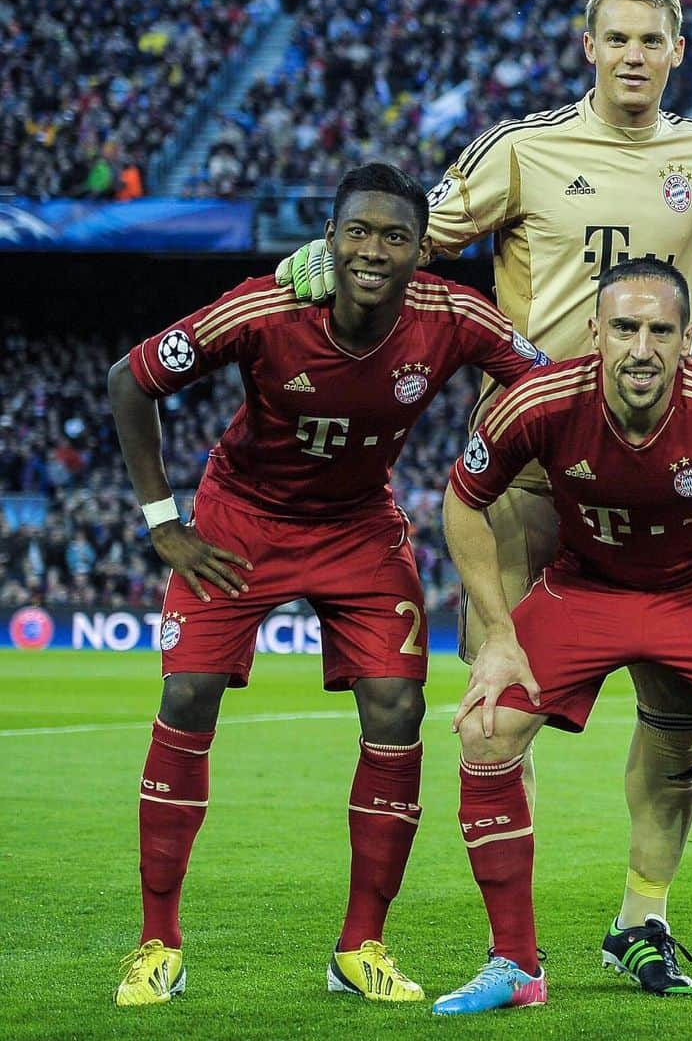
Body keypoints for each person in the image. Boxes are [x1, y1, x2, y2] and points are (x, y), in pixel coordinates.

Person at [278, 0, 692, 995]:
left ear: (679, 50)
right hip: (536, 470)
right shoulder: (520, 149)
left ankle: (643, 918)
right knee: (503, 701)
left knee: (673, 718)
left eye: (651, 40)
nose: (632, 54)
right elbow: (408, 235)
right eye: (615, 37)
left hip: (671, 474)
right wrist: (324, 253)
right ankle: (513, 942)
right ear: (588, 44)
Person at [107, 163, 546, 1007]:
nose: (373, 250)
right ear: (331, 236)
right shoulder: (265, 307)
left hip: (357, 526)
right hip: (241, 518)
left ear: (423, 251)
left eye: (394, 236)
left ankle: (360, 946)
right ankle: (157, 941)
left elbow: (545, 380)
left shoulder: (451, 317)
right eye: (358, 232)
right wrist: (164, 523)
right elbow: (132, 379)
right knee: (188, 693)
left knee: (398, 705)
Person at [432, 257, 692, 1016]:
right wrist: (499, 635)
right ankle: (513, 963)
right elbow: (462, 501)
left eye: (661, 330)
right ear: (594, 332)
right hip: (587, 587)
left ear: (688, 336)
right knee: (485, 726)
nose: (642, 349)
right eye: (626, 328)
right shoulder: (536, 399)